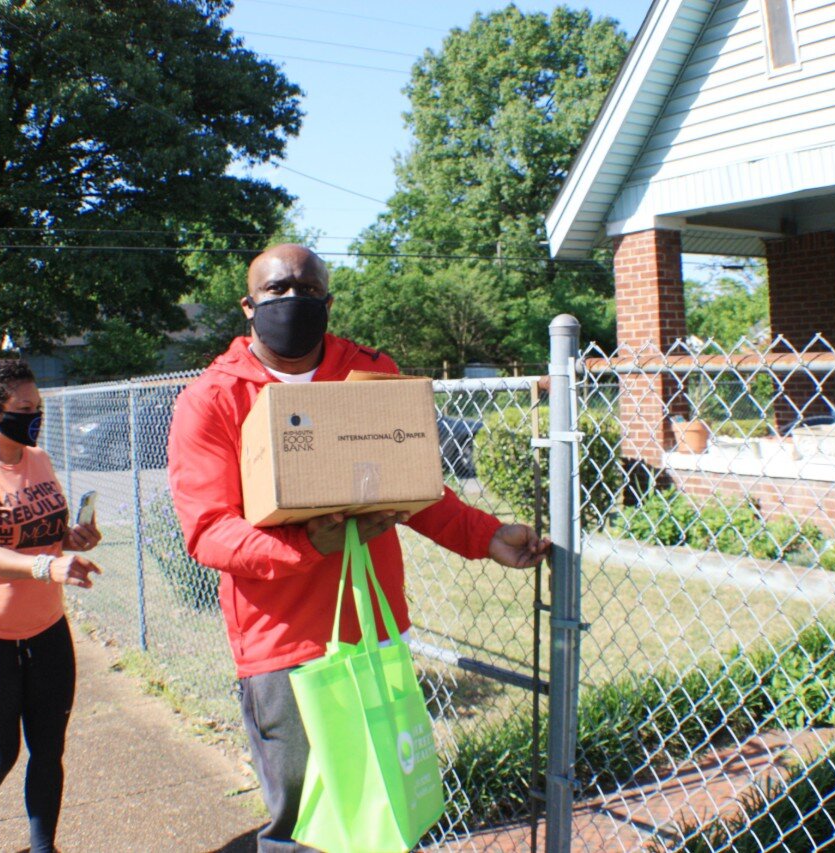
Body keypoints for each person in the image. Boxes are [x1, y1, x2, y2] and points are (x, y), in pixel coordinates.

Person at [167, 243, 549, 851]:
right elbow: (209, 528)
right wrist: (305, 545)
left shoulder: (367, 376)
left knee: (385, 803)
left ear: (328, 300)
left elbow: (413, 484)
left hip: (371, 629)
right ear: (248, 306)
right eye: (277, 290)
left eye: (308, 289)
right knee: (301, 821)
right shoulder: (213, 400)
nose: (293, 300)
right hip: (281, 642)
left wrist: (486, 535)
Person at [0, 359, 103, 853]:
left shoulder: (39, 460)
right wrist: (47, 568)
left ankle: (42, 845)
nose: (35, 417)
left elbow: (45, 532)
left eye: (38, 407)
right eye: (23, 409)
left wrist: (74, 539)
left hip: (46, 626)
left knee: (49, 748)